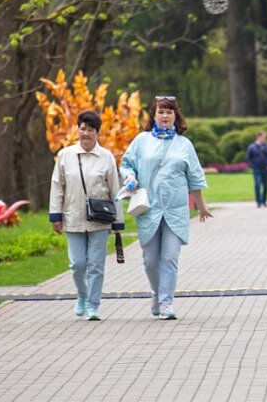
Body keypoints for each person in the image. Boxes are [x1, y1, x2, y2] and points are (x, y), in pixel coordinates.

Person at [120, 96, 213, 320]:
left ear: (176, 116)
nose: (165, 116)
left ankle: (166, 302)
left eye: (169, 112)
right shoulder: (141, 141)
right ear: (154, 115)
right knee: (150, 260)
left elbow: (195, 178)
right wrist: (130, 177)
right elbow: (126, 164)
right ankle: (156, 292)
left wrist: (201, 207)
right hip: (148, 209)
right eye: (161, 111)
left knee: (170, 257)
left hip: (175, 210)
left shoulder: (184, 144)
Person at [49, 109, 124, 321]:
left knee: (96, 265)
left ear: (97, 133)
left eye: (90, 130)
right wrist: (55, 215)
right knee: (77, 264)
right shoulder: (65, 155)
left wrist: (118, 222)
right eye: (83, 128)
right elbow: (57, 186)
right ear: (77, 129)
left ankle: (93, 305)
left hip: (100, 220)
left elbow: (114, 190)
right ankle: (82, 295)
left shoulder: (106, 157)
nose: (86, 133)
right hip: (72, 216)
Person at [245, 131, 267, 208]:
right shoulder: (252, 147)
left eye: (265, 138)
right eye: (263, 137)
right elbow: (248, 158)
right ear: (258, 137)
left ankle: (264, 201)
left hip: (265, 169)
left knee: (265, 185)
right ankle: (258, 202)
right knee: (257, 184)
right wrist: (252, 166)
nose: (264, 139)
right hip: (257, 169)